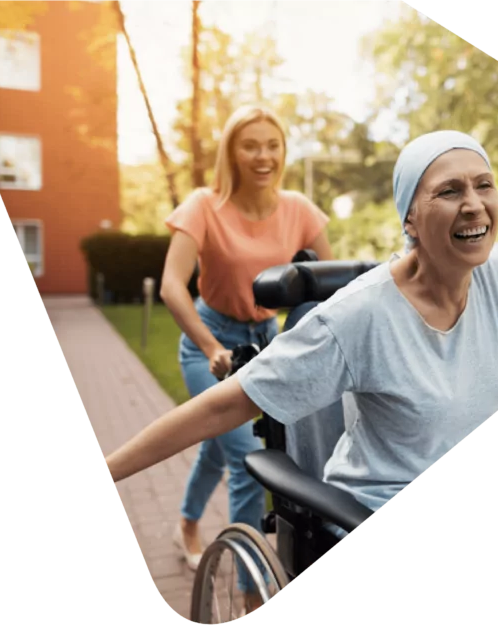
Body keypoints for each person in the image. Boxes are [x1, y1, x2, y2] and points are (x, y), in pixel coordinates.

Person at [106, 128, 498, 561]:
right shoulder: (358, 316)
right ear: (410, 219)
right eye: (449, 191)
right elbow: (227, 402)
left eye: (484, 185)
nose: (473, 203)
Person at [157, 104, 333, 612]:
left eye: (272, 144)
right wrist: (211, 348)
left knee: (219, 448)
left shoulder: (298, 208)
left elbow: (330, 282)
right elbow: (173, 286)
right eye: (250, 145)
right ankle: (252, 598)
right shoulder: (203, 205)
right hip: (208, 343)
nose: (263, 155)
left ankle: (187, 524)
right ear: (232, 153)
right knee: (246, 460)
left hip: (266, 342)